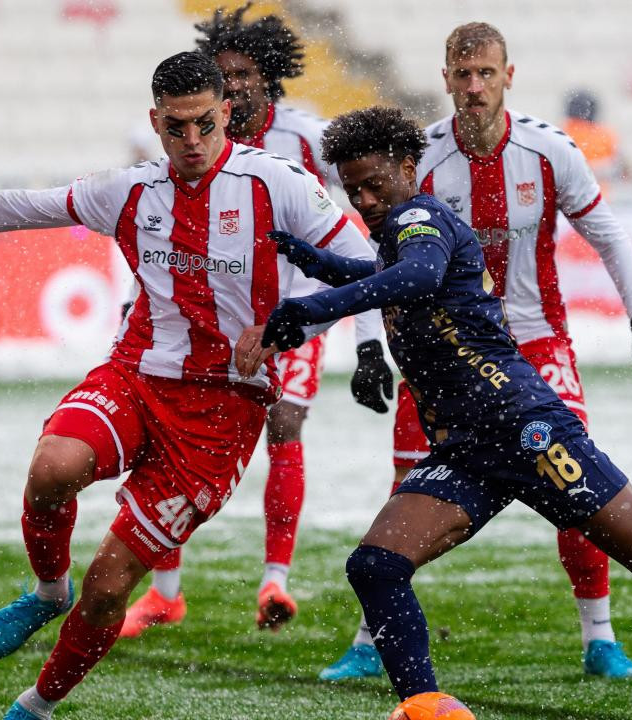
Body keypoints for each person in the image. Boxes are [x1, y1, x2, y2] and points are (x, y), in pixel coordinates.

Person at [245, 105, 632, 702]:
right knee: (374, 566)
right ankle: (425, 706)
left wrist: (312, 306)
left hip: (525, 429)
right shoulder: (401, 238)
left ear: (408, 168)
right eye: (354, 190)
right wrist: (316, 262)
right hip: (466, 449)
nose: (366, 200)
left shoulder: (421, 216)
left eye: (375, 184)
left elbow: (419, 277)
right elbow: (387, 273)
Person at [0, 51, 377, 720]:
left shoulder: (277, 183)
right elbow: (19, 206)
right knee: (53, 468)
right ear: (155, 123)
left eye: (204, 124)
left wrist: (289, 327)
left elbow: (365, 268)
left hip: (222, 412)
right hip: (137, 376)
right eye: (176, 127)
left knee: (108, 588)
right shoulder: (130, 190)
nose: (191, 142)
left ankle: (34, 707)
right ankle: (48, 591)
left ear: (226, 114)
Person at [319, 22, 632, 683]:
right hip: (444, 353)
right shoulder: (418, 160)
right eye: (463, 74)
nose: (475, 86)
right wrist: (369, 348)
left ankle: (600, 637)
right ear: (446, 79)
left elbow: (608, 235)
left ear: (509, 76)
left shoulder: (549, 151)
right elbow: (377, 261)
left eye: (486, 73)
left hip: (536, 342)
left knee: (576, 481)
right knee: (409, 486)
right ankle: (369, 640)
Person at [119, 2, 394, 640]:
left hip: (295, 315)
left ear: (268, 77)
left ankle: (275, 580)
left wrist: (369, 341)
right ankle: (164, 593)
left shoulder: (307, 139)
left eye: (245, 74)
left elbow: (360, 226)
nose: (235, 86)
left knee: (284, 422)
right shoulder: (192, 143)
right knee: (162, 429)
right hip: (205, 316)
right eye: (225, 75)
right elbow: (156, 228)